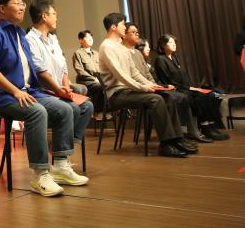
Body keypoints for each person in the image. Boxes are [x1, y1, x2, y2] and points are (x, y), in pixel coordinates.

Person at [0, 0, 88, 197]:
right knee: (36, 112)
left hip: (26, 91)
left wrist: (53, 90)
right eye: (17, 3)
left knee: (67, 108)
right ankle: (40, 175)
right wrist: (14, 91)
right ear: (2, 9)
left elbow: (29, 71)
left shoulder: (20, 34)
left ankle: (60, 166)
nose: (22, 7)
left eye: (22, 3)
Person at [98, 13, 195, 157]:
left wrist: (154, 86)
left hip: (129, 90)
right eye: (123, 24)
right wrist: (143, 88)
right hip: (117, 94)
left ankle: (176, 139)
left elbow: (134, 73)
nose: (125, 27)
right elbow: (121, 75)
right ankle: (166, 144)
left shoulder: (121, 47)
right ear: (113, 27)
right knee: (155, 99)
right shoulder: (106, 47)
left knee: (166, 96)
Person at [122, 25, 208, 144]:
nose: (137, 34)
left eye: (137, 31)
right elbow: (131, 76)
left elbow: (147, 74)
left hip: (149, 86)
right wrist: (152, 86)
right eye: (133, 32)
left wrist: (156, 85)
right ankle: (173, 138)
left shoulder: (136, 52)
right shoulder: (123, 52)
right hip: (137, 89)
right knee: (175, 96)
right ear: (124, 34)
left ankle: (180, 135)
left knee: (182, 96)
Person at [25, 0, 94, 144]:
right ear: (44, 16)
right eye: (54, 14)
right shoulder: (30, 39)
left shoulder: (53, 38)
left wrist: (66, 89)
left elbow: (63, 67)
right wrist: (58, 90)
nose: (56, 18)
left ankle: (67, 144)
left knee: (87, 106)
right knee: (72, 108)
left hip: (59, 91)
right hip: (44, 92)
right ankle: (62, 150)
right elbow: (40, 71)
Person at [153, 34, 229, 141]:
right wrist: (190, 89)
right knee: (199, 97)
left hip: (184, 87)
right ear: (163, 45)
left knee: (210, 95)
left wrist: (191, 87)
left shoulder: (174, 58)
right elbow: (168, 81)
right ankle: (203, 127)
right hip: (175, 90)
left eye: (174, 42)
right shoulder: (160, 60)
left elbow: (183, 77)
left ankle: (211, 126)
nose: (174, 44)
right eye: (170, 42)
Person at [72, 30, 106, 120]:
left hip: (98, 80)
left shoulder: (96, 53)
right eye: (87, 37)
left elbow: (102, 69)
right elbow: (79, 70)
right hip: (86, 82)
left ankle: (107, 110)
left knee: (109, 86)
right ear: (81, 40)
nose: (91, 39)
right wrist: (93, 79)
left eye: (91, 37)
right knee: (100, 87)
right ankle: (98, 112)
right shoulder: (78, 53)